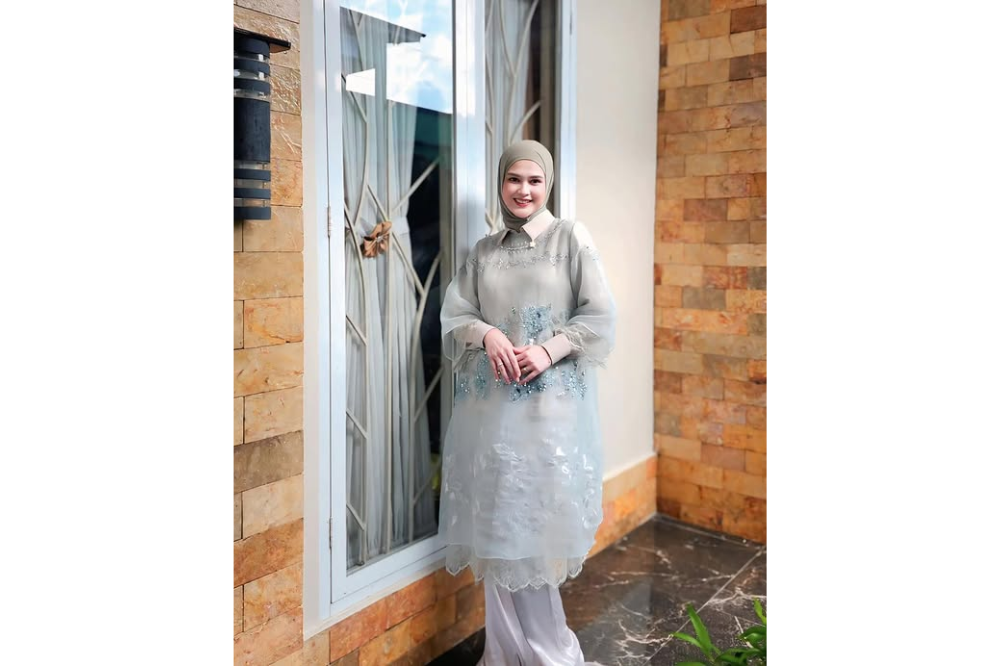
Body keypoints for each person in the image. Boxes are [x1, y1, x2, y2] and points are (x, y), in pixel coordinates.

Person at [439, 139, 616, 665]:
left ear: (548, 184)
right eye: (514, 179)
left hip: (548, 418)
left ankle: (550, 656)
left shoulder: (570, 238)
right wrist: (487, 333)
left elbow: (600, 316)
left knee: (531, 537)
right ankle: (504, 655)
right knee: (497, 532)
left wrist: (547, 349)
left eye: (535, 180)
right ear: (500, 184)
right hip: (489, 417)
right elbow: (456, 314)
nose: (524, 190)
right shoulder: (484, 251)